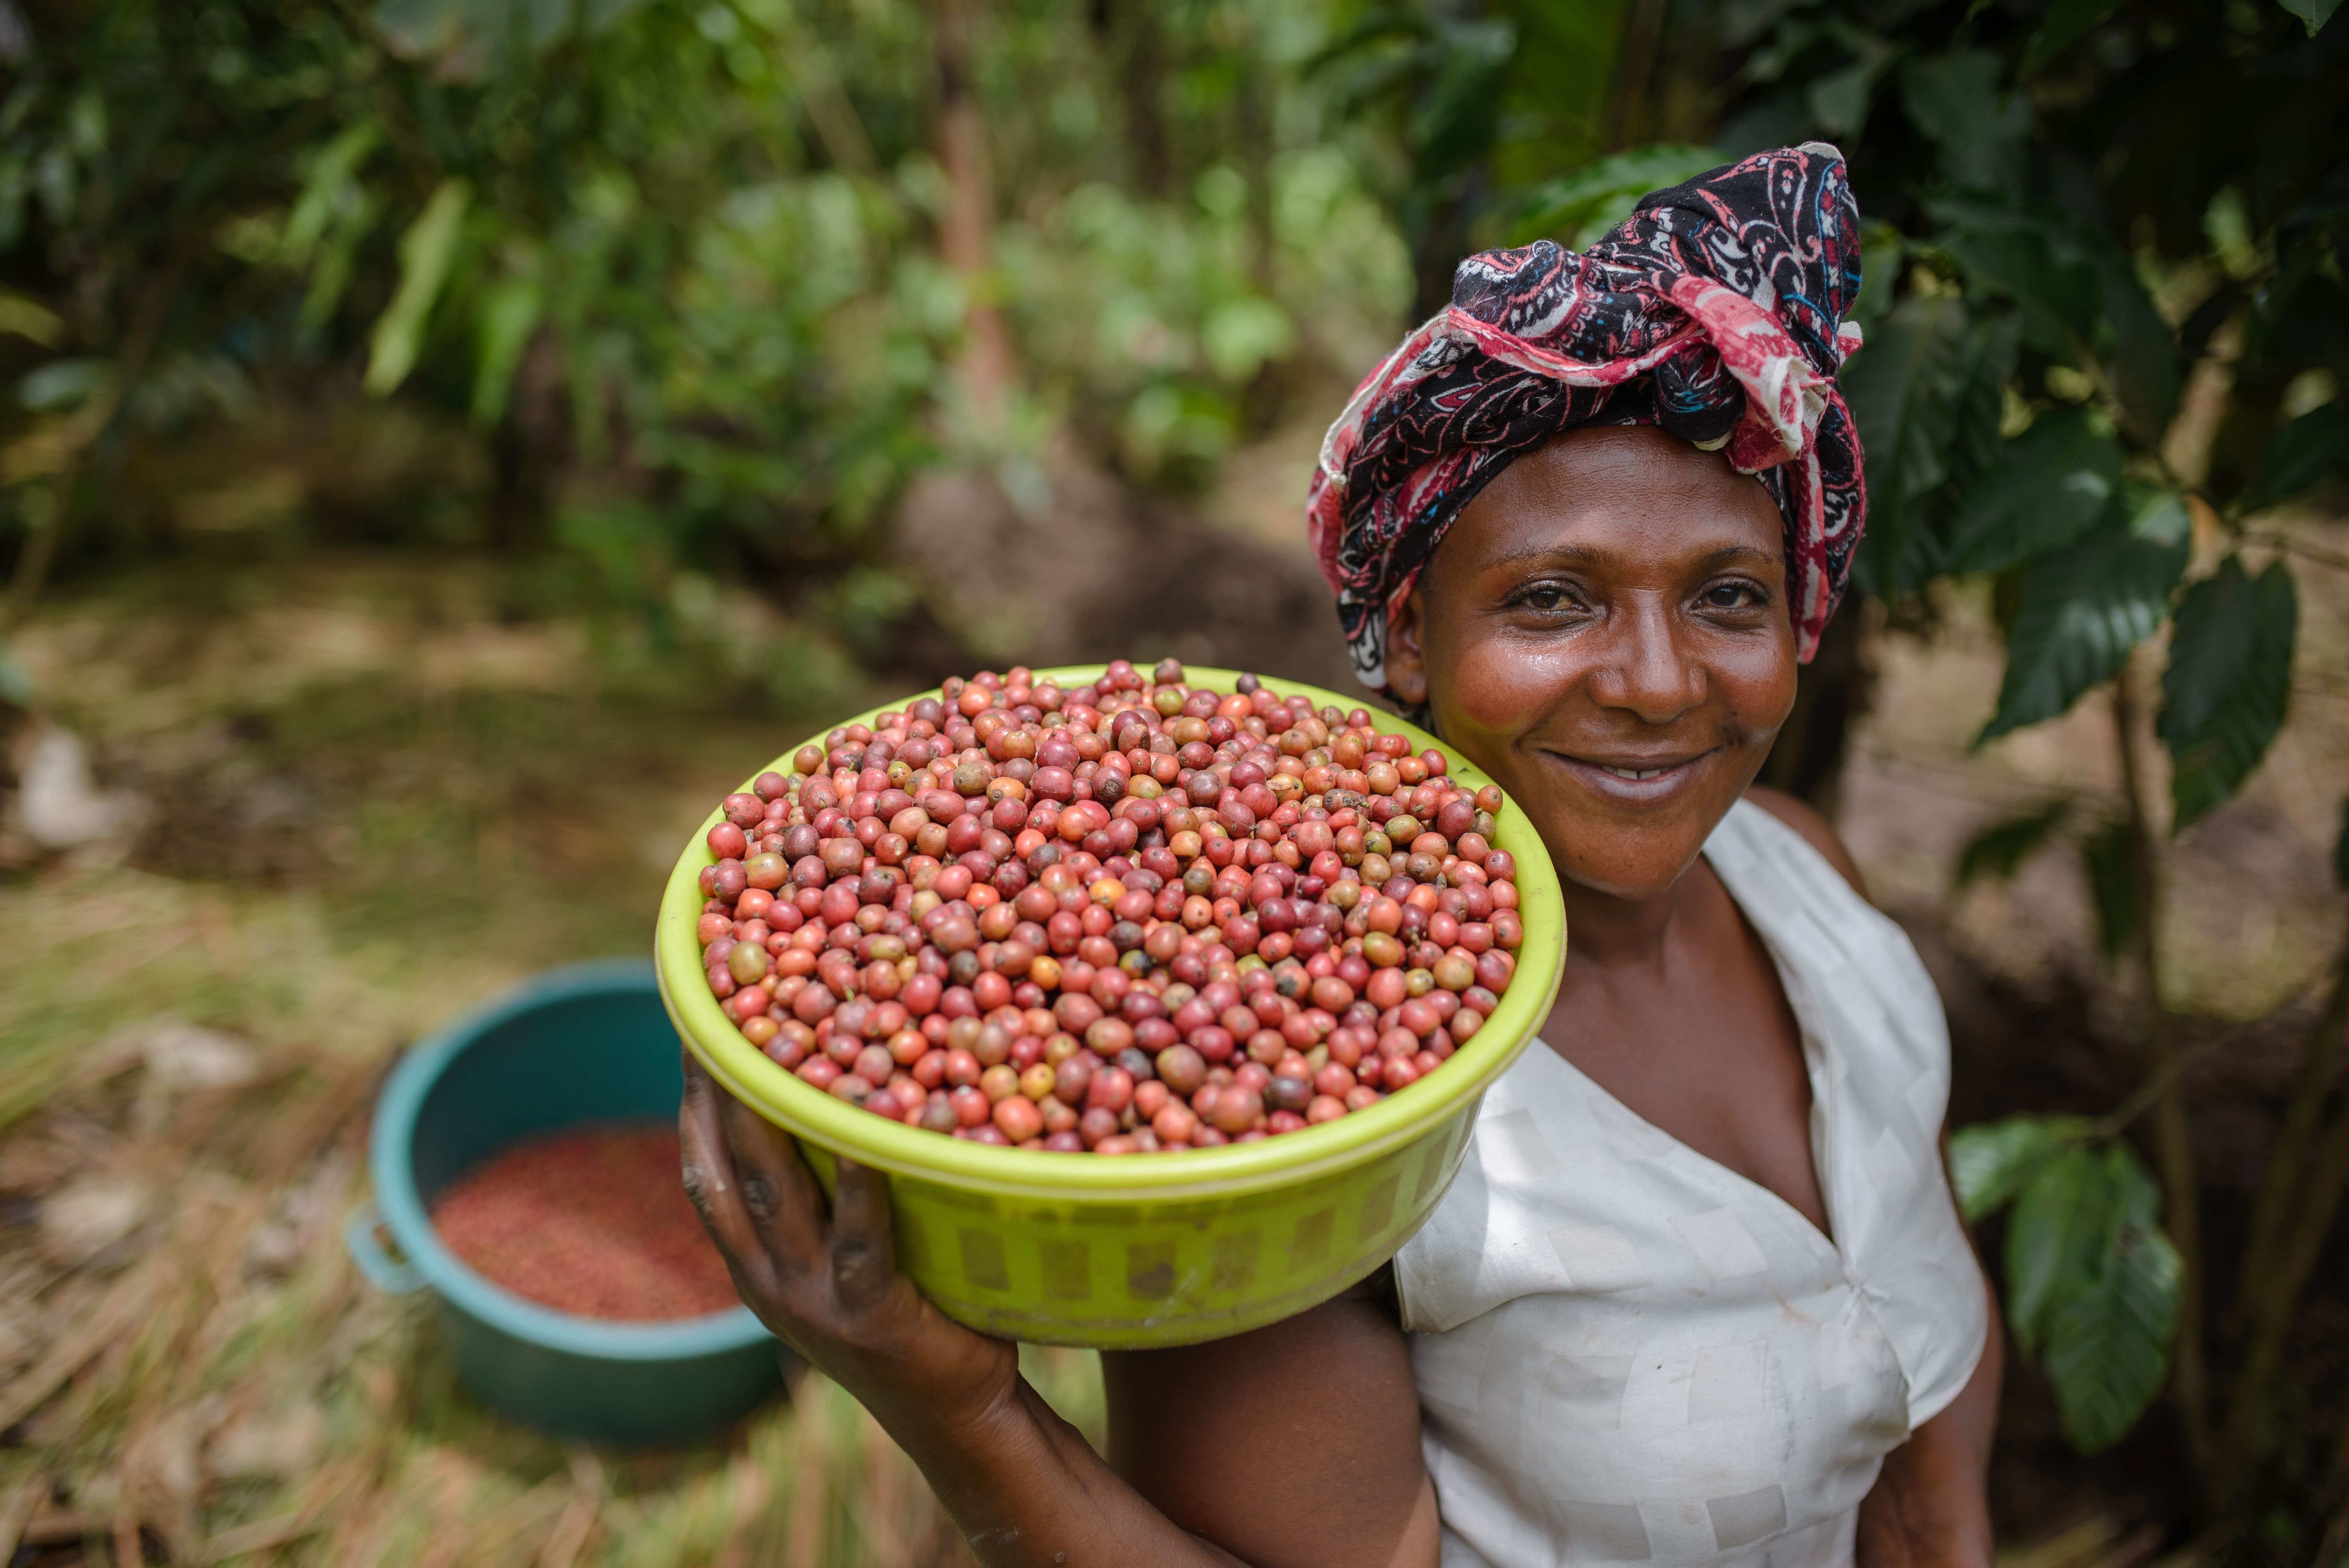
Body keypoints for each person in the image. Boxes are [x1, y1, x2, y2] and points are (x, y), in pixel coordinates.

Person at [680, 143, 1999, 1568]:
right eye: (1554, 600)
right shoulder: (1317, 1127)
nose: (1659, 683)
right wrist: (962, 1411)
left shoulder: (1810, 885)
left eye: (1729, 597)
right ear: (1411, 638)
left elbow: (1925, 1473)